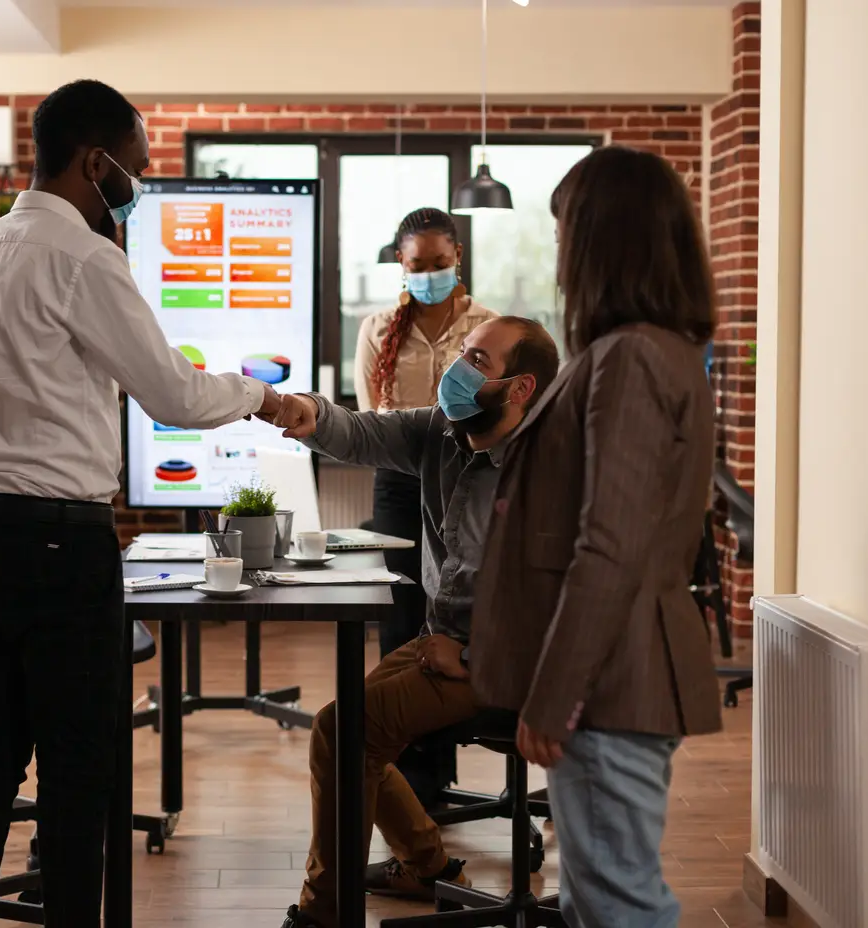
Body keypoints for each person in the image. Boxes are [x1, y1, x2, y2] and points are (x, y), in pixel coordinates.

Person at [0, 79, 280, 927]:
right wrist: (262, 397)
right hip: (61, 540)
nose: (139, 180)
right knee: (80, 766)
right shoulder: (87, 258)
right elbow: (172, 396)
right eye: (136, 166)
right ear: (96, 163)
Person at [470, 145, 723, 928]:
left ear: (602, 241)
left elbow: (610, 545)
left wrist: (553, 695)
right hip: (616, 675)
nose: (557, 257)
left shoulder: (632, 358)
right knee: (594, 899)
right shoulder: (646, 350)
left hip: (610, 682)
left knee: (617, 904)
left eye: (564, 235)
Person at [268, 316, 560, 928]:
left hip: (517, 666)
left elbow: (567, 608)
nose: (457, 367)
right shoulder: (442, 430)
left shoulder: (551, 470)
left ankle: (325, 915)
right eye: (463, 351)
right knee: (341, 729)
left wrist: (476, 659)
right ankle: (430, 867)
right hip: (442, 643)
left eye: (478, 360)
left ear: (520, 389)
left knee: (346, 729)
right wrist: (298, 410)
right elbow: (359, 432)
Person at [355, 207, 498, 809]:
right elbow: (371, 420)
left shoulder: (489, 328)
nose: (430, 274)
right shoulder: (377, 326)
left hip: (468, 483)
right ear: (401, 264)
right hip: (399, 483)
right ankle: (409, 775)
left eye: (441, 264)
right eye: (418, 266)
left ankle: (437, 771)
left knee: (450, 622)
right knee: (401, 624)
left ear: (457, 258)